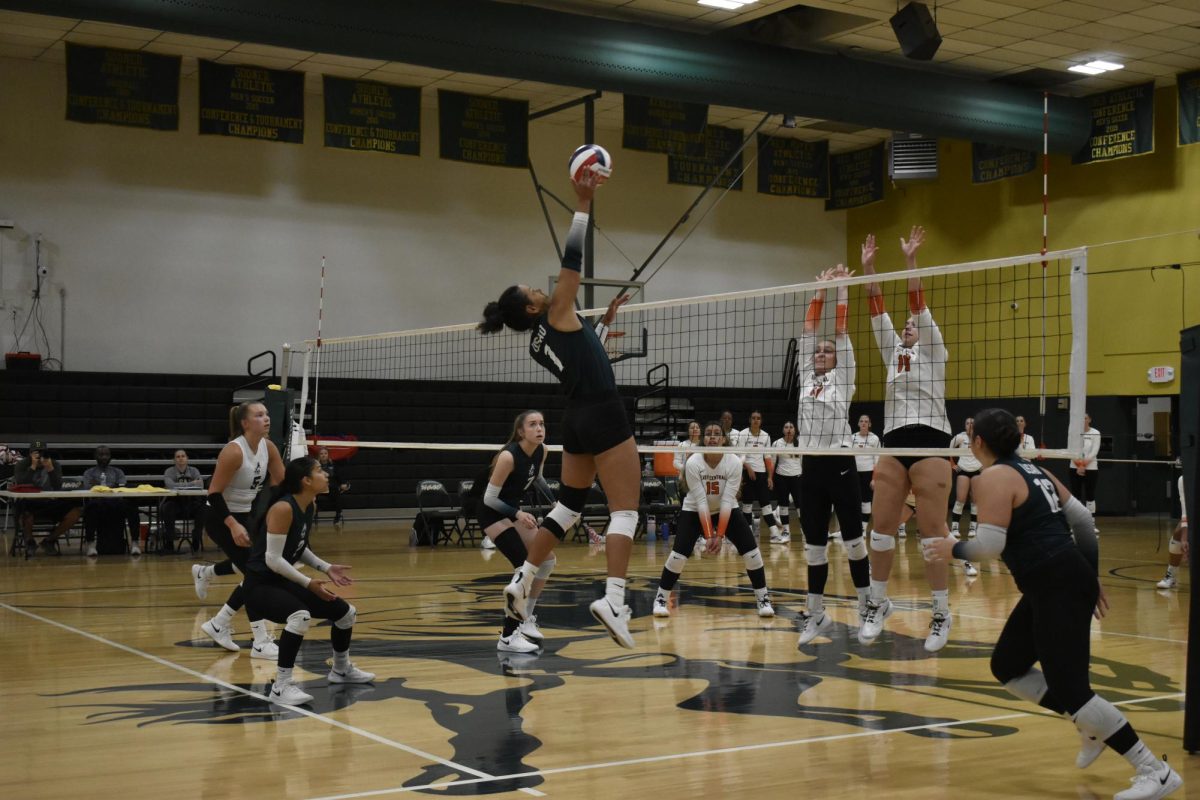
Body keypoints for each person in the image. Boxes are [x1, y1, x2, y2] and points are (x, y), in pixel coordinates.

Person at [926, 408, 1182, 800]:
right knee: (1008, 666)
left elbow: (990, 546)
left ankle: (1155, 770)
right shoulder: (1035, 471)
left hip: (1057, 583)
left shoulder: (992, 477)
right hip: (1057, 581)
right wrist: (1089, 574)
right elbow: (1082, 521)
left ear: (978, 442)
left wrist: (952, 548)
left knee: (1074, 689)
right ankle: (1091, 725)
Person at [478, 170, 640, 649]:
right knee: (625, 511)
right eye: (531, 289)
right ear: (530, 308)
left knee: (568, 506)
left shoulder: (540, 340)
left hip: (576, 420)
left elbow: (585, 355)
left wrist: (603, 325)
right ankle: (613, 599)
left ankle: (523, 581)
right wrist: (583, 203)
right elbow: (573, 262)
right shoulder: (555, 311)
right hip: (605, 412)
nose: (539, 288)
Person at [859, 228, 955, 653]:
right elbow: (876, 306)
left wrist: (912, 261)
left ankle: (940, 612)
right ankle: (878, 604)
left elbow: (916, 301)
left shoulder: (935, 351)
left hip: (932, 437)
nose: (909, 325)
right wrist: (868, 268)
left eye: (915, 324)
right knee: (880, 529)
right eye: (906, 326)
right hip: (894, 439)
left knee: (933, 532)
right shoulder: (892, 353)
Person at [243, 456, 374, 706]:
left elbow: (299, 547)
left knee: (346, 613)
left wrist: (326, 568)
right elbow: (272, 559)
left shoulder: (309, 505)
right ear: (305, 480)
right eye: (320, 471)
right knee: (299, 615)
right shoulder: (283, 508)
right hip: (260, 585)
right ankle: (281, 686)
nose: (326, 474)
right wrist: (307, 582)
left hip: (281, 580)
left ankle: (341, 670)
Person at [793, 265, 872, 645]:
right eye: (819, 351)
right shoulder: (804, 376)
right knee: (813, 547)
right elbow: (809, 331)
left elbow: (840, 332)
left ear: (839, 359)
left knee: (855, 540)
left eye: (828, 351)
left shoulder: (845, 377)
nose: (822, 352)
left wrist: (842, 291)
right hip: (811, 464)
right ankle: (817, 613)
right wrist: (818, 291)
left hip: (840, 462)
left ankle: (867, 606)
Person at [191, 401, 285, 659]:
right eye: (259, 415)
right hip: (220, 516)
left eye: (267, 413)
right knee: (257, 573)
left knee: (256, 568)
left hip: (247, 514)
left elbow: (281, 484)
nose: (266, 418)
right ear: (245, 423)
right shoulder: (234, 451)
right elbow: (214, 493)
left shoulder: (269, 447)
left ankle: (218, 620)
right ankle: (259, 640)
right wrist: (232, 525)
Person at [652, 422, 774, 619]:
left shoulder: (733, 461)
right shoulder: (693, 463)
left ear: (723, 439)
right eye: (708, 434)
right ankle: (660, 599)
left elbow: (727, 501)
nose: (712, 437)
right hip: (694, 509)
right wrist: (709, 536)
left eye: (717, 434)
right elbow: (701, 501)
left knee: (752, 552)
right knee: (679, 555)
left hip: (726, 508)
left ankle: (763, 599)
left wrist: (719, 535)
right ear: (703, 439)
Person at [473, 410, 557, 653]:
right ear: (521, 431)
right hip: (492, 512)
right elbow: (489, 499)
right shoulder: (508, 457)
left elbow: (538, 479)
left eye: (542, 423)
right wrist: (518, 514)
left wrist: (555, 503)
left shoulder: (542, 450)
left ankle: (527, 615)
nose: (539, 429)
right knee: (524, 566)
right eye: (532, 425)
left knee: (547, 560)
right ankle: (509, 635)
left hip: (512, 511)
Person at [13, 441, 82, 556]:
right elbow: (21, 483)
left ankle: (50, 540)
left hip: (50, 501)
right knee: (23, 511)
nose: (39, 456)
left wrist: (50, 469)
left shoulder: (54, 464)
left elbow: (57, 486)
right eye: (36, 453)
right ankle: (30, 542)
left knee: (75, 512)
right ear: (30, 454)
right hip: (30, 502)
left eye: (42, 453)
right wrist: (33, 467)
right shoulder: (22, 464)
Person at [731, 410, 783, 540]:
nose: (755, 420)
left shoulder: (766, 436)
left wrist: (770, 477)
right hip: (746, 472)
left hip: (761, 474)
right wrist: (748, 467)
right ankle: (747, 534)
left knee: (766, 504)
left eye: (758, 418)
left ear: (761, 421)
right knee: (747, 505)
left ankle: (775, 534)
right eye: (753, 418)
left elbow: (767, 458)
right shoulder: (742, 434)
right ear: (750, 420)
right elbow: (739, 455)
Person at [82, 446, 143, 557]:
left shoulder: (118, 472)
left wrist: (99, 485)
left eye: (107, 454)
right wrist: (111, 487)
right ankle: (90, 543)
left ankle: (134, 542)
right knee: (90, 508)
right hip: (98, 503)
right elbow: (88, 487)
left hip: (116, 502)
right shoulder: (89, 472)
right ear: (95, 456)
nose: (104, 457)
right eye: (101, 454)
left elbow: (121, 487)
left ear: (110, 457)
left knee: (132, 507)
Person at [161, 449, 206, 553]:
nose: (181, 458)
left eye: (183, 456)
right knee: (167, 507)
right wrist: (191, 483)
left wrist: (180, 486)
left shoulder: (194, 471)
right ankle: (169, 542)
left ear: (187, 459)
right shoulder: (169, 471)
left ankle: (196, 538)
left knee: (203, 508)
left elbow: (200, 485)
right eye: (178, 456)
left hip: (191, 503)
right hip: (176, 503)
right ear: (174, 460)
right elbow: (170, 486)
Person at [770, 421, 802, 544]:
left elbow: (803, 462)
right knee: (783, 505)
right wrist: (770, 478)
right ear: (783, 430)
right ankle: (786, 532)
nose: (789, 429)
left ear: (795, 430)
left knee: (800, 506)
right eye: (786, 427)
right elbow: (772, 462)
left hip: (797, 477)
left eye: (791, 427)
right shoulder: (777, 443)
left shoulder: (800, 444)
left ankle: (805, 532)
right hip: (781, 477)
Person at [1157, 475, 1188, 590]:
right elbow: (1186, 512)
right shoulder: (1184, 480)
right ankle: (1171, 575)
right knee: (1179, 532)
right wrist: (1184, 539)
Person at [852, 415, 880, 535]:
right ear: (858, 424)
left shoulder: (874, 438)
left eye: (866, 421)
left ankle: (863, 529)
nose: (863, 423)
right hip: (854, 473)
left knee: (866, 501)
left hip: (868, 473)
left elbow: (877, 460)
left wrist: (874, 479)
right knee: (854, 501)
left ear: (870, 424)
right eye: (861, 421)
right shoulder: (852, 437)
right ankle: (853, 528)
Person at [1070, 413, 1101, 515]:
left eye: (1085, 418)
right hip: (1074, 467)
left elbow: (1094, 451)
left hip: (1091, 467)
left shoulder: (1095, 432)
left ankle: (1090, 522)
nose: (1083, 420)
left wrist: (1083, 465)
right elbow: (1071, 450)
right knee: (1076, 494)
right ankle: (1077, 523)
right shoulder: (1073, 433)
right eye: (1080, 418)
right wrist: (1079, 465)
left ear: (1089, 420)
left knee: (1090, 494)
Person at [315, 447, 349, 526]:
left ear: (328, 455)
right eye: (321, 454)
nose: (323, 455)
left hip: (331, 488)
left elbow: (338, 477)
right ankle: (312, 515)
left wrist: (342, 484)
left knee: (336, 491)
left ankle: (338, 515)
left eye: (325, 453)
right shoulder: (315, 466)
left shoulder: (333, 465)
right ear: (319, 455)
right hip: (319, 488)